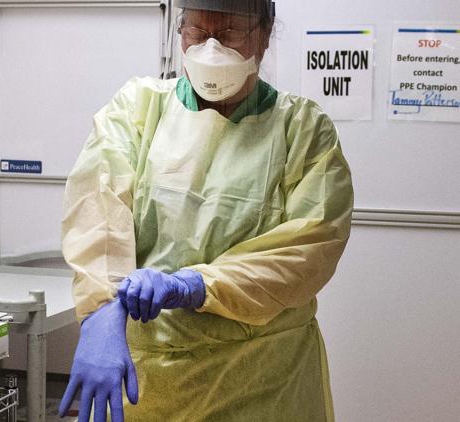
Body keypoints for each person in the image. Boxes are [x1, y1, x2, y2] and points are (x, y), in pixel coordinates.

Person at [58, 0, 354, 421]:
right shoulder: (139, 109)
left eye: (230, 33)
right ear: (180, 33)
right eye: (197, 33)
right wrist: (102, 314)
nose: (211, 49)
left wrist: (196, 285)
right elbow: (98, 211)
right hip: (152, 377)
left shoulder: (302, 130)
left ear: (265, 34)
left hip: (263, 378)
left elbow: (310, 247)